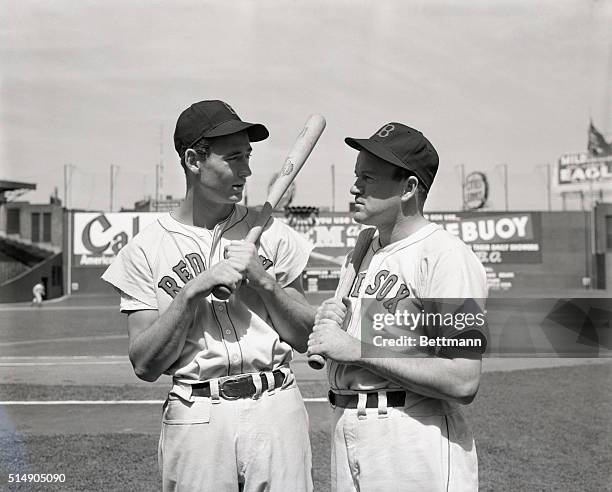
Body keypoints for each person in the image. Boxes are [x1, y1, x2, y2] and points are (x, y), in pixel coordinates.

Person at [102, 100, 315, 491]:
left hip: (276, 406)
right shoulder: (145, 249)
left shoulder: (272, 233)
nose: (246, 170)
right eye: (233, 158)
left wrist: (264, 281)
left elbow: (305, 337)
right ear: (194, 160)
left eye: (248, 157)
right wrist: (191, 293)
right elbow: (145, 364)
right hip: (197, 414)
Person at [307, 123, 488, 491]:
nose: (355, 187)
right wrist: (332, 323)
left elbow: (463, 379)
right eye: (357, 175)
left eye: (369, 178)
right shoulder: (362, 250)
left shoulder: (445, 257)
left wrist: (356, 350)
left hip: (411, 435)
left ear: (409, 188)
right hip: (347, 426)